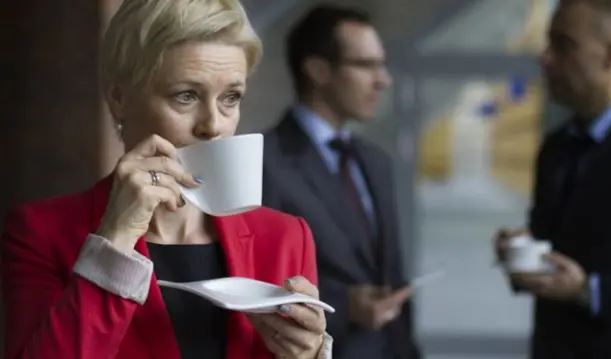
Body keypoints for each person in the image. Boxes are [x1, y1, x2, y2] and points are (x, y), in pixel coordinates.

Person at [1, 1, 332, 358]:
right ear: (119, 98)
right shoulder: (40, 234)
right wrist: (115, 241)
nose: (214, 125)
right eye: (186, 96)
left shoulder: (285, 238)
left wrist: (309, 353)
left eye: (230, 98)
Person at [262, 4, 420, 359]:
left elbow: (392, 279)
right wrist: (344, 307)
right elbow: (255, 283)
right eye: (367, 65)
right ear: (318, 70)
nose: (383, 80)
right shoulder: (264, 162)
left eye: (382, 65)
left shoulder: (377, 162)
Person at [493, 0, 611, 358]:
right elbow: (553, 245)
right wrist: (522, 252)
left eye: (564, 44)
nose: (545, 59)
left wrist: (588, 290)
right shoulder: (555, 148)